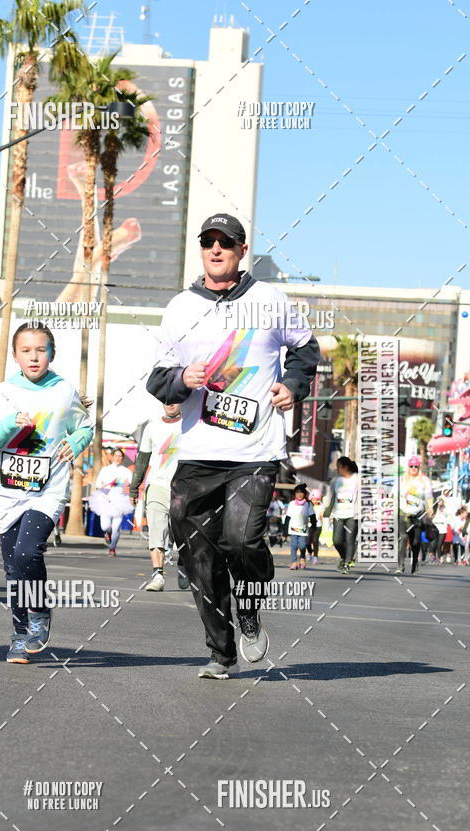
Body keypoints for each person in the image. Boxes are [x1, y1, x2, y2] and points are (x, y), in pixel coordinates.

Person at [147, 212, 320, 679]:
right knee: (198, 554)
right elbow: (157, 380)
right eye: (208, 241)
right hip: (199, 452)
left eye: (227, 241)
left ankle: (250, 603)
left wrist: (293, 384)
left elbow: (306, 351)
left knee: (242, 540)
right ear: (201, 249)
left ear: (243, 250)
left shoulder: (270, 300)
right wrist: (182, 379)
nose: (216, 248)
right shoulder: (180, 308)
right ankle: (221, 652)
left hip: (255, 451)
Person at [0, 322, 93, 664]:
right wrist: (9, 425)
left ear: (52, 353)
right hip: (9, 491)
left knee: (28, 554)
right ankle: (18, 635)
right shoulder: (2, 392)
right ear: (15, 356)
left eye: (41, 349)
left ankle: (39, 612)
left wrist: (76, 441)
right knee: (13, 569)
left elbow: (85, 425)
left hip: (49, 488)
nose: (34, 356)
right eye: (26, 350)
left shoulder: (64, 390)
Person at [129, 403, 189, 591]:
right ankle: (158, 575)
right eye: (165, 399)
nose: (169, 403)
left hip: (184, 487)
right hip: (156, 485)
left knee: (182, 530)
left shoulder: (190, 423)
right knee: (157, 530)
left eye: (174, 398)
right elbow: (142, 459)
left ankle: (184, 564)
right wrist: (134, 487)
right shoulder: (152, 426)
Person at [89, 448, 133, 557]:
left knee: (116, 527)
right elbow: (98, 484)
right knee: (105, 526)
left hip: (120, 500)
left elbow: (133, 484)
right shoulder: (105, 470)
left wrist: (131, 489)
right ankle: (107, 533)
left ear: (123, 458)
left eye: (120, 456)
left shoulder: (126, 471)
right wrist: (102, 486)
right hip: (106, 499)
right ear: (112, 457)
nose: (118, 458)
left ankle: (112, 548)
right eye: (116, 456)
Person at [397, 455, 433, 575]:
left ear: (419, 467)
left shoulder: (424, 481)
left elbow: (429, 496)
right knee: (402, 538)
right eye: (411, 466)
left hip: (417, 515)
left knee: (416, 541)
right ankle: (400, 566)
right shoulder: (402, 480)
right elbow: (394, 495)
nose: (413, 468)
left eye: (416, 466)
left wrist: (430, 508)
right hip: (403, 513)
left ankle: (415, 565)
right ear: (408, 467)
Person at [324, 456, 359, 574]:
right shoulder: (335, 481)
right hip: (338, 514)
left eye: (338, 467)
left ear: (346, 467)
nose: (337, 469)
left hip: (352, 515)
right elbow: (331, 498)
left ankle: (347, 563)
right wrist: (326, 512)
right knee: (337, 541)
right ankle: (344, 557)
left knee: (350, 540)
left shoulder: (357, 480)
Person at [284, 483, 317, 570]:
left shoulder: (308, 504)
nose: (299, 494)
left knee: (302, 546)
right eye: (297, 492)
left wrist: (314, 526)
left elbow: (313, 516)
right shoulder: (291, 504)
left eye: (301, 492)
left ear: (305, 494)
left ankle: (302, 557)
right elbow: (287, 518)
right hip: (293, 529)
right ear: (294, 494)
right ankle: (294, 562)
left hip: (303, 530)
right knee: (294, 546)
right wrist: (284, 531)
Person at [306, 488, 324, 564]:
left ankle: (315, 556)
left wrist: (322, 518)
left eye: (317, 499)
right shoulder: (308, 506)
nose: (315, 501)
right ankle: (309, 552)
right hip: (310, 525)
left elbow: (322, 516)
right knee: (308, 541)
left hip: (318, 526)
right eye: (314, 499)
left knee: (315, 540)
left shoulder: (321, 506)